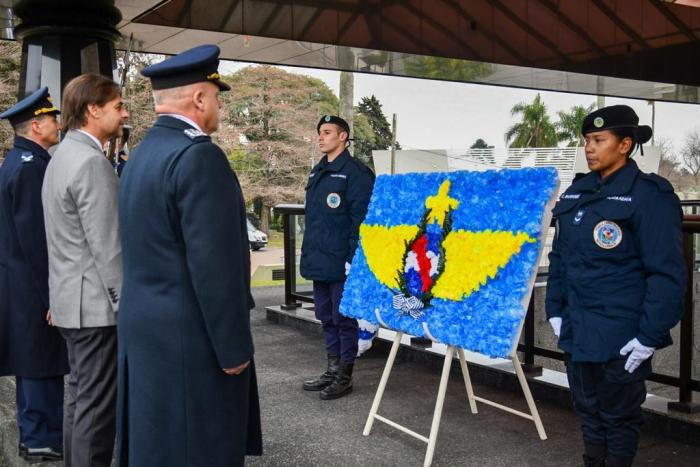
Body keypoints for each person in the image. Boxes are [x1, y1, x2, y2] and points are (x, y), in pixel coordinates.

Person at [116, 44, 262, 466]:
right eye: (216, 96)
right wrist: (234, 350)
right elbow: (214, 270)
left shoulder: (141, 155)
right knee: (200, 450)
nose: (219, 106)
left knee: (158, 449)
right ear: (199, 98)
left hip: (146, 333)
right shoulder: (199, 157)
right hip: (191, 342)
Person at [545, 105, 685, 467]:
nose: (589, 148)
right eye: (586, 141)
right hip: (578, 327)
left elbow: (666, 273)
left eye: (598, 140)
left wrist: (649, 335)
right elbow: (560, 258)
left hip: (620, 334)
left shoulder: (649, 195)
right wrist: (554, 309)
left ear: (625, 144)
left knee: (619, 416)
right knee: (587, 410)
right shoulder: (578, 191)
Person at [42, 73, 127, 467]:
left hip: (68, 304)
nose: (124, 114)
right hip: (95, 309)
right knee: (95, 409)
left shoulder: (60, 157)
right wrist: (126, 306)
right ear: (93, 109)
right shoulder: (91, 163)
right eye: (117, 107)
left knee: (79, 400)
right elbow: (108, 248)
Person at [0, 87, 69, 463]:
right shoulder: (31, 168)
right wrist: (52, 295)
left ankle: (35, 435)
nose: (58, 124)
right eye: (53, 118)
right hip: (31, 287)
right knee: (41, 362)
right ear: (36, 125)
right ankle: (42, 437)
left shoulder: (19, 162)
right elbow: (36, 241)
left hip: (20, 284)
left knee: (31, 362)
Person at [300, 115, 375, 399]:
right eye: (320, 132)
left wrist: (354, 258)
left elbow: (361, 221)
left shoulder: (355, 173)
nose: (321, 137)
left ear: (343, 137)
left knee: (344, 319)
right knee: (326, 317)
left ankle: (345, 375)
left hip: (342, 261)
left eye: (327, 132)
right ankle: (331, 369)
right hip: (320, 259)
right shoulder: (318, 171)